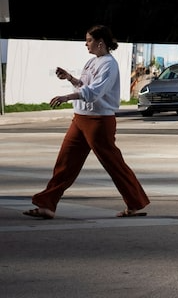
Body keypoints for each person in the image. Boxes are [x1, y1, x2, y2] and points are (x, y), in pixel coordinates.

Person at [24, 25, 150, 220]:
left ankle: (135, 203)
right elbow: (85, 86)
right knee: (65, 162)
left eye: (89, 40)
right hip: (80, 118)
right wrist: (71, 78)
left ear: (100, 43)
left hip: (99, 121)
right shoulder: (92, 62)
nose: (86, 44)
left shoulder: (109, 64)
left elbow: (93, 93)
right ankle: (47, 205)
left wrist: (66, 97)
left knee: (113, 164)